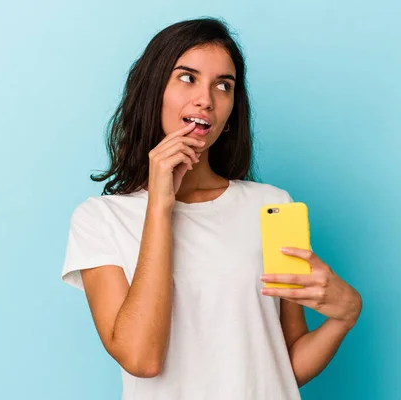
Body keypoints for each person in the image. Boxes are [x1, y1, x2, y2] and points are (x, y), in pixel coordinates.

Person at [61, 17, 362, 400]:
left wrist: (346, 314)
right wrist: (159, 206)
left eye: (223, 86)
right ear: (153, 91)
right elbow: (142, 359)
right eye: (187, 78)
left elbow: (281, 368)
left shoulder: (271, 205)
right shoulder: (100, 219)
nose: (206, 98)